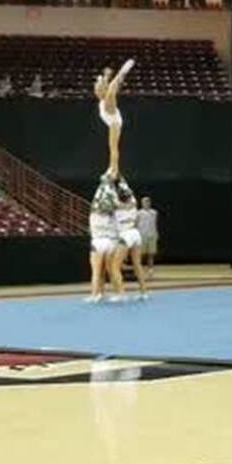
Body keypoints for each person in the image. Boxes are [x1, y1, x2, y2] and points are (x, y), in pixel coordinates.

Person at [94, 59, 136, 178]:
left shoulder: (107, 97)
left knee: (113, 146)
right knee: (112, 146)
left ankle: (114, 170)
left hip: (113, 119)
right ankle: (113, 168)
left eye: (98, 89)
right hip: (110, 117)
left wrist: (120, 73)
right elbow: (99, 89)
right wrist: (104, 77)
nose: (97, 90)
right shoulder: (102, 95)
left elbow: (109, 87)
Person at [111, 179, 150, 301]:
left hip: (125, 235)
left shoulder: (116, 207)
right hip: (135, 233)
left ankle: (121, 294)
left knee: (114, 267)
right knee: (137, 264)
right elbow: (128, 194)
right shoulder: (133, 203)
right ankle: (144, 292)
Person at [86, 172, 121, 303]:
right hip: (110, 242)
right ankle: (118, 293)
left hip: (98, 242)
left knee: (96, 271)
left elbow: (96, 200)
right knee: (111, 270)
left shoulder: (93, 213)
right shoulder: (113, 215)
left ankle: (96, 294)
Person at [136, 196, 159, 277]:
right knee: (141, 254)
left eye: (147, 202)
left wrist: (156, 234)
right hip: (142, 235)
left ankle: (150, 270)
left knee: (151, 254)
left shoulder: (154, 212)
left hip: (152, 235)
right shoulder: (138, 213)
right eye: (144, 202)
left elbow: (154, 224)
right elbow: (136, 224)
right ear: (142, 203)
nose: (146, 203)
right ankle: (140, 269)